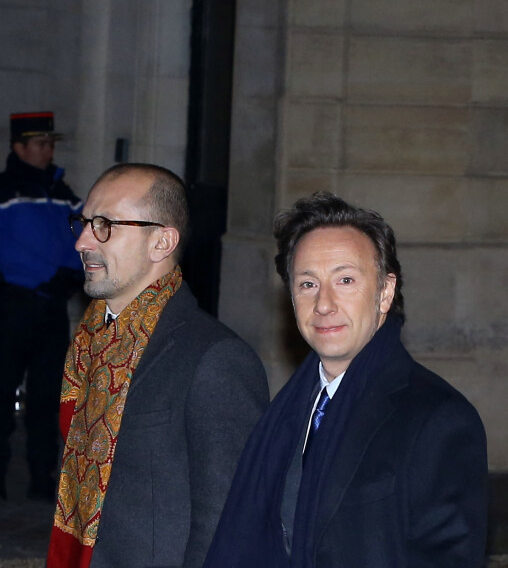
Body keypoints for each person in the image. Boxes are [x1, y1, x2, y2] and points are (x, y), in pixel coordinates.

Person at [204, 191, 488, 567]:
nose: (324, 304)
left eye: (346, 280)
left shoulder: (439, 419)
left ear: (385, 293)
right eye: (307, 284)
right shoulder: (284, 415)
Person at [46, 163, 269, 568]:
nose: (81, 241)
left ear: (161, 242)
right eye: (82, 222)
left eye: (104, 225)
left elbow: (230, 524)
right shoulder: (88, 344)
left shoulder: (215, 359)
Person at [0, 112, 83, 502]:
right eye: (40, 143)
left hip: (51, 308)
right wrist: (48, 277)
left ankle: (41, 474)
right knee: (0, 393)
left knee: (47, 396)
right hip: (15, 305)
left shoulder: (64, 192)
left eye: (50, 143)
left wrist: (72, 275)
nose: (48, 150)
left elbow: (84, 237)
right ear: (19, 147)